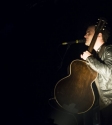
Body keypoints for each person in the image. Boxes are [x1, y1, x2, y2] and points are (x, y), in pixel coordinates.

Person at [80, 24, 112, 125]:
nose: (85, 36)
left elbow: (110, 72)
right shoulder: (96, 56)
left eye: (88, 33)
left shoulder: (109, 50)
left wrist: (89, 59)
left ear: (99, 35)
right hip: (104, 105)